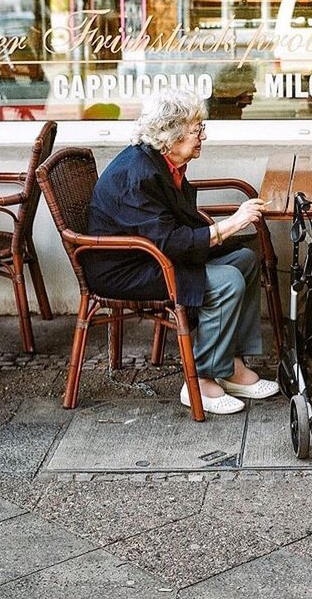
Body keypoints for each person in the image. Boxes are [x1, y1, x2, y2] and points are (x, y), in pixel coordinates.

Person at [86, 89, 279, 415]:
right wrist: (230, 225)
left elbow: (169, 232)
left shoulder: (164, 163)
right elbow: (169, 242)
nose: (203, 136)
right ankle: (200, 381)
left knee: (245, 260)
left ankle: (229, 365)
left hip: (152, 255)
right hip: (128, 268)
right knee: (228, 280)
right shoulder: (139, 174)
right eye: (196, 130)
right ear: (170, 135)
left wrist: (224, 233)